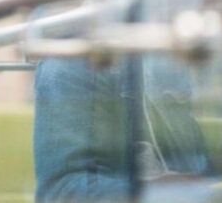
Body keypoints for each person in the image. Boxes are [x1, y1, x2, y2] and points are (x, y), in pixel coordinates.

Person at [34, 55, 209, 202]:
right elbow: (60, 192)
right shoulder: (71, 62)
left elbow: (196, 166)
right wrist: (160, 193)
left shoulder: (167, 58)